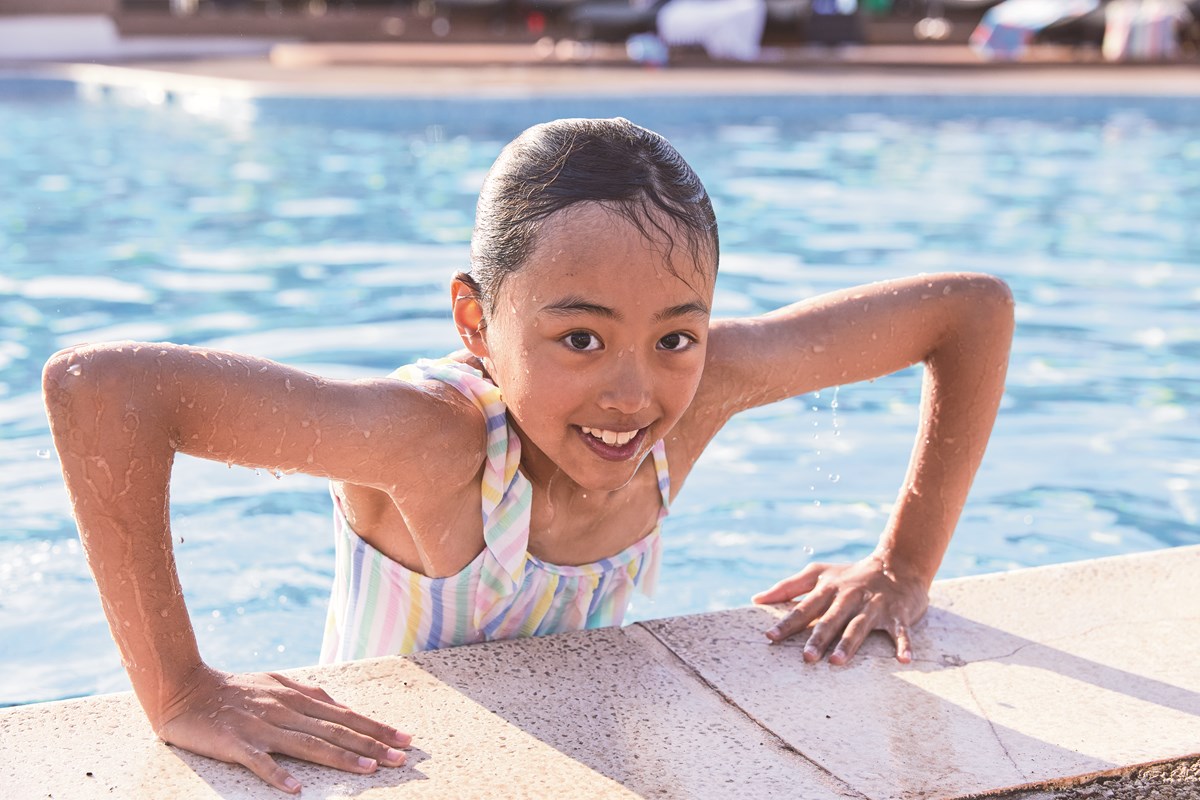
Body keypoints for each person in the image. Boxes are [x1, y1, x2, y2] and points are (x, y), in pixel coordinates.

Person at [42, 117, 1014, 794]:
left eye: (675, 335)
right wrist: (180, 684)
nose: (633, 394)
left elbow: (970, 311)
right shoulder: (434, 442)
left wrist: (903, 566)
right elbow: (102, 390)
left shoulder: (701, 389)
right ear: (475, 320)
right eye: (581, 339)